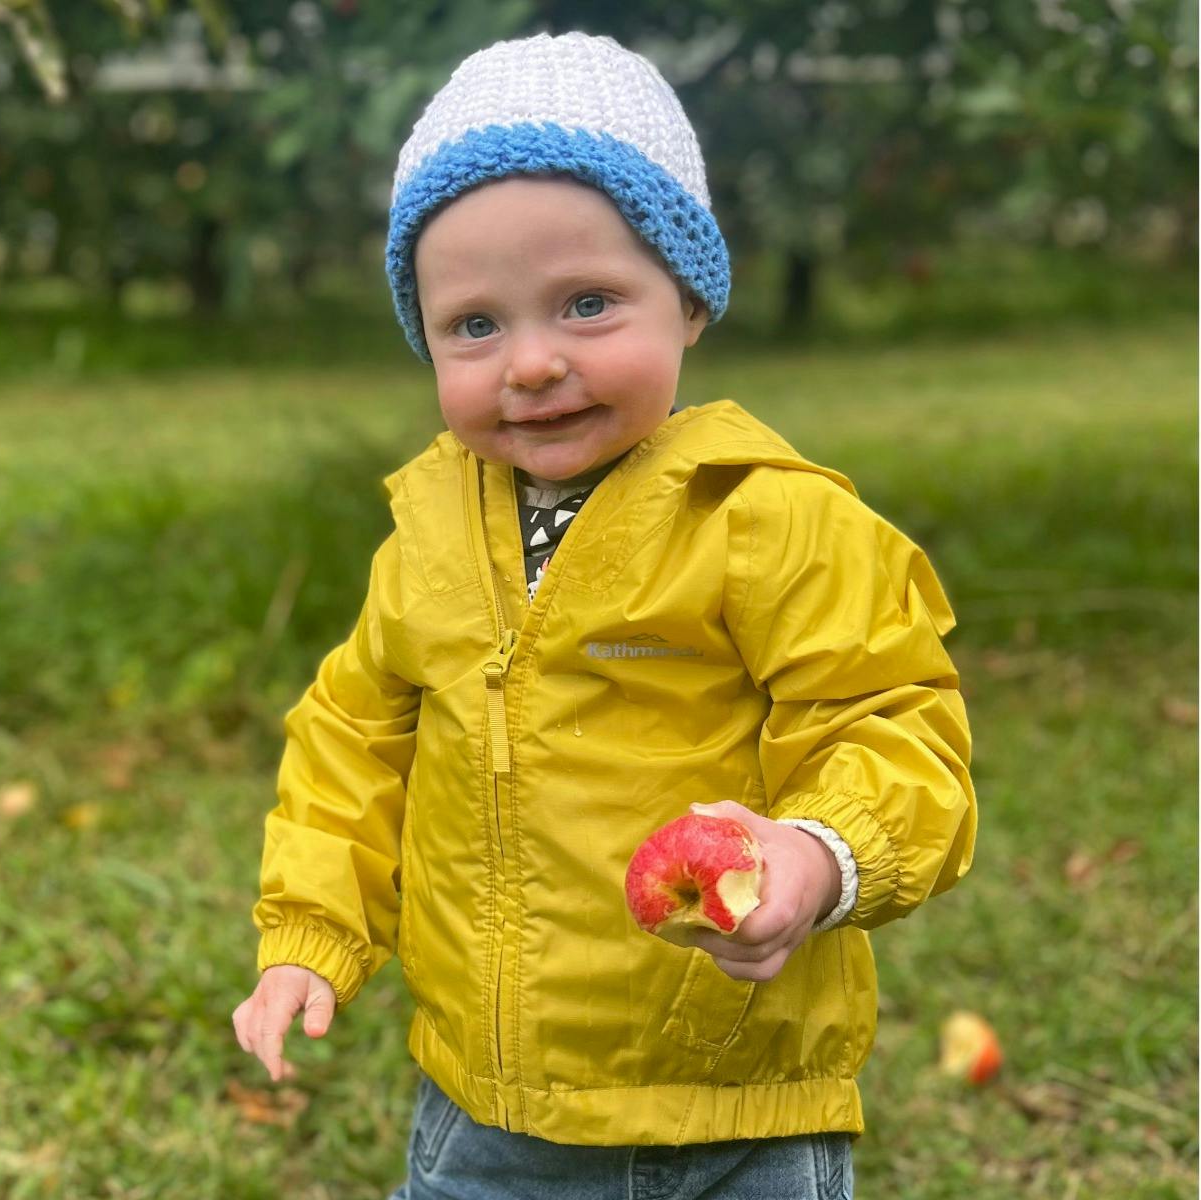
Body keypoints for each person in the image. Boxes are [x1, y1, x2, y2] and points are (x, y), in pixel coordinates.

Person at [232, 31, 976, 1199]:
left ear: (689, 300)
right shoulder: (429, 534)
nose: (530, 363)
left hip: (735, 1105)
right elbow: (353, 741)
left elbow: (888, 722)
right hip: (490, 1111)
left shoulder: (766, 518)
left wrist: (815, 857)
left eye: (586, 305)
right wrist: (310, 935)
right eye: (474, 325)